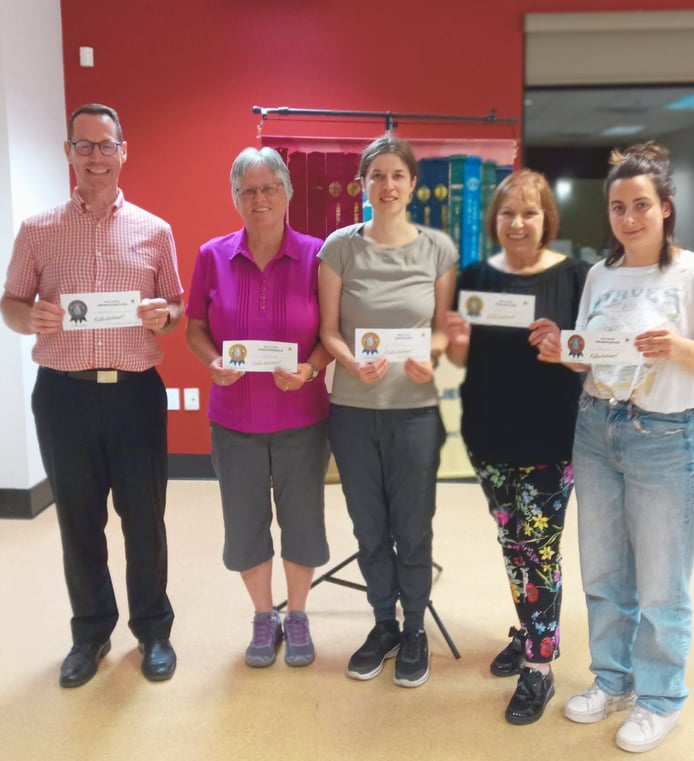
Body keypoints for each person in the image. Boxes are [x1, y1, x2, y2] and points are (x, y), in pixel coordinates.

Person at [537, 143, 694, 752]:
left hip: (665, 437)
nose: (629, 219)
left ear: (665, 208)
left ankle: (661, 699)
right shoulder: (600, 275)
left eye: (641, 206)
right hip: (596, 427)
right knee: (604, 571)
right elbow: (591, 354)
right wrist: (563, 348)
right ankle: (614, 680)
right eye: (617, 208)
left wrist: (682, 349)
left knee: (662, 582)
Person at [1, 103, 184, 687]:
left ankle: (153, 630)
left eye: (106, 145)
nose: (96, 157)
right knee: (79, 522)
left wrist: (166, 314)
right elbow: (10, 302)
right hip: (64, 397)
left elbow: (177, 307)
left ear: (123, 151)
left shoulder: (155, 231)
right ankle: (91, 632)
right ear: (69, 153)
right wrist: (32, 318)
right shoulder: (37, 230)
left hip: (134, 395)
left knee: (143, 519)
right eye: (85, 146)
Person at [445, 170, 589, 723]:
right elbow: (463, 358)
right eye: (508, 213)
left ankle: (540, 666)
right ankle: (530, 632)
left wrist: (565, 347)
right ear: (495, 221)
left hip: (550, 438)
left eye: (529, 213)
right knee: (513, 545)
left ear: (546, 219)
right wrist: (456, 343)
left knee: (541, 550)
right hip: (488, 435)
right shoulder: (477, 275)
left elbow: (587, 354)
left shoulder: (575, 276)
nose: (519, 223)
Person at [318, 135, 457, 688]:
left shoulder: (438, 250)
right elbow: (329, 330)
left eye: (398, 175)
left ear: (413, 184)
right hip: (352, 410)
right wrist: (351, 362)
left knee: (414, 527)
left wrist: (434, 358)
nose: (388, 185)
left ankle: (416, 627)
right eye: (377, 176)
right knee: (369, 526)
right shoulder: (339, 248)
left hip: (416, 413)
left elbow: (443, 332)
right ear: (364, 184)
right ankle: (383, 624)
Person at [186, 146, 333, 669]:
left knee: (302, 521)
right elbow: (196, 328)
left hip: (303, 420)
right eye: (248, 190)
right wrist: (211, 363)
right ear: (235, 197)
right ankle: (261, 615)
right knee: (245, 524)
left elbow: (329, 334)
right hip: (234, 420)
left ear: (288, 193)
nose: (260, 198)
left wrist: (311, 369)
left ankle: (296, 615)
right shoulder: (212, 255)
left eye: (270, 186)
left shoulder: (319, 255)